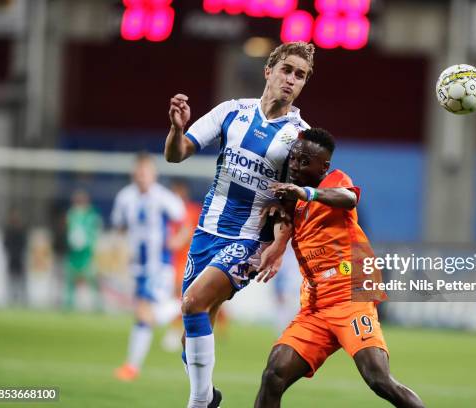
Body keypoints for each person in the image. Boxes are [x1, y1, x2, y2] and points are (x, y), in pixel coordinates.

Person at [164, 41, 315, 408]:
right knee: (194, 330)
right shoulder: (232, 112)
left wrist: (278, 246)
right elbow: (176, 154)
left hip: (250, 240)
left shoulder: (300, 136)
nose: (291, 79)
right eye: (287, 70)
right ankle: (209, 395)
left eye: (300, 75)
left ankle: (199, 403)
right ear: (268, 71)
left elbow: (293, 202)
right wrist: (175, 128)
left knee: (192, 303)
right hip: (206, 233)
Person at [253, 128, 425, 408]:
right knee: (274, 373)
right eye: (295, 159)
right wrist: (275, 241)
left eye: (305, 161)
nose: (296, 166)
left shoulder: (335, 181)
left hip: (350, 297)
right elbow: (284, 228)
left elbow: (349, 198)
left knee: (378, 379)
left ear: (324, 167)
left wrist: (307, 193)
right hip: (316, 307)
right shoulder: (292, 198)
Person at [112, 153, 187, 381]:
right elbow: (120, 226)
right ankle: (180, 306)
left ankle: (131, 367)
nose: (142, 176)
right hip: (138, 267)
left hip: (159, 265)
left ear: (154, 174)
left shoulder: (164, 198)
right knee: (144, 316)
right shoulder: (125, 197)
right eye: (139, 171)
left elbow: (185, 225)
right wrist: (123, 248)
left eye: (146, 172)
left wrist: (176, 240)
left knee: (144, 312)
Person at [162, 180, 202, 352]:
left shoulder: (192, 210)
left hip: (186, 260)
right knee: (175, 297)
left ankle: (177, 331)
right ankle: (179, 330)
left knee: (182, 296)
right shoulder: (169, 211)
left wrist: (174, 242)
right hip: (170, 260)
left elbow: (187, 232)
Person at [64, 189, 103, 311]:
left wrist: (90, 243)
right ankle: (68, 304)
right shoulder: (71, 214)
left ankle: (98, 304)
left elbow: (96, 230)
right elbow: (70, 231)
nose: (79, 203)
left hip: (86, 252)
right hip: (74, 252)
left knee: (92, 279)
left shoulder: (91, 215)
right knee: (70, 279)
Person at [3, 208, 27, 306]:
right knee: (12, 279)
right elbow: (5, 243)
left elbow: (24, 243)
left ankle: (22, 299)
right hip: (12, 257)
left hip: (19, 257)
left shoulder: (21, 230)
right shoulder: (9, 230)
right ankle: (12, 299)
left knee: (21, 279)